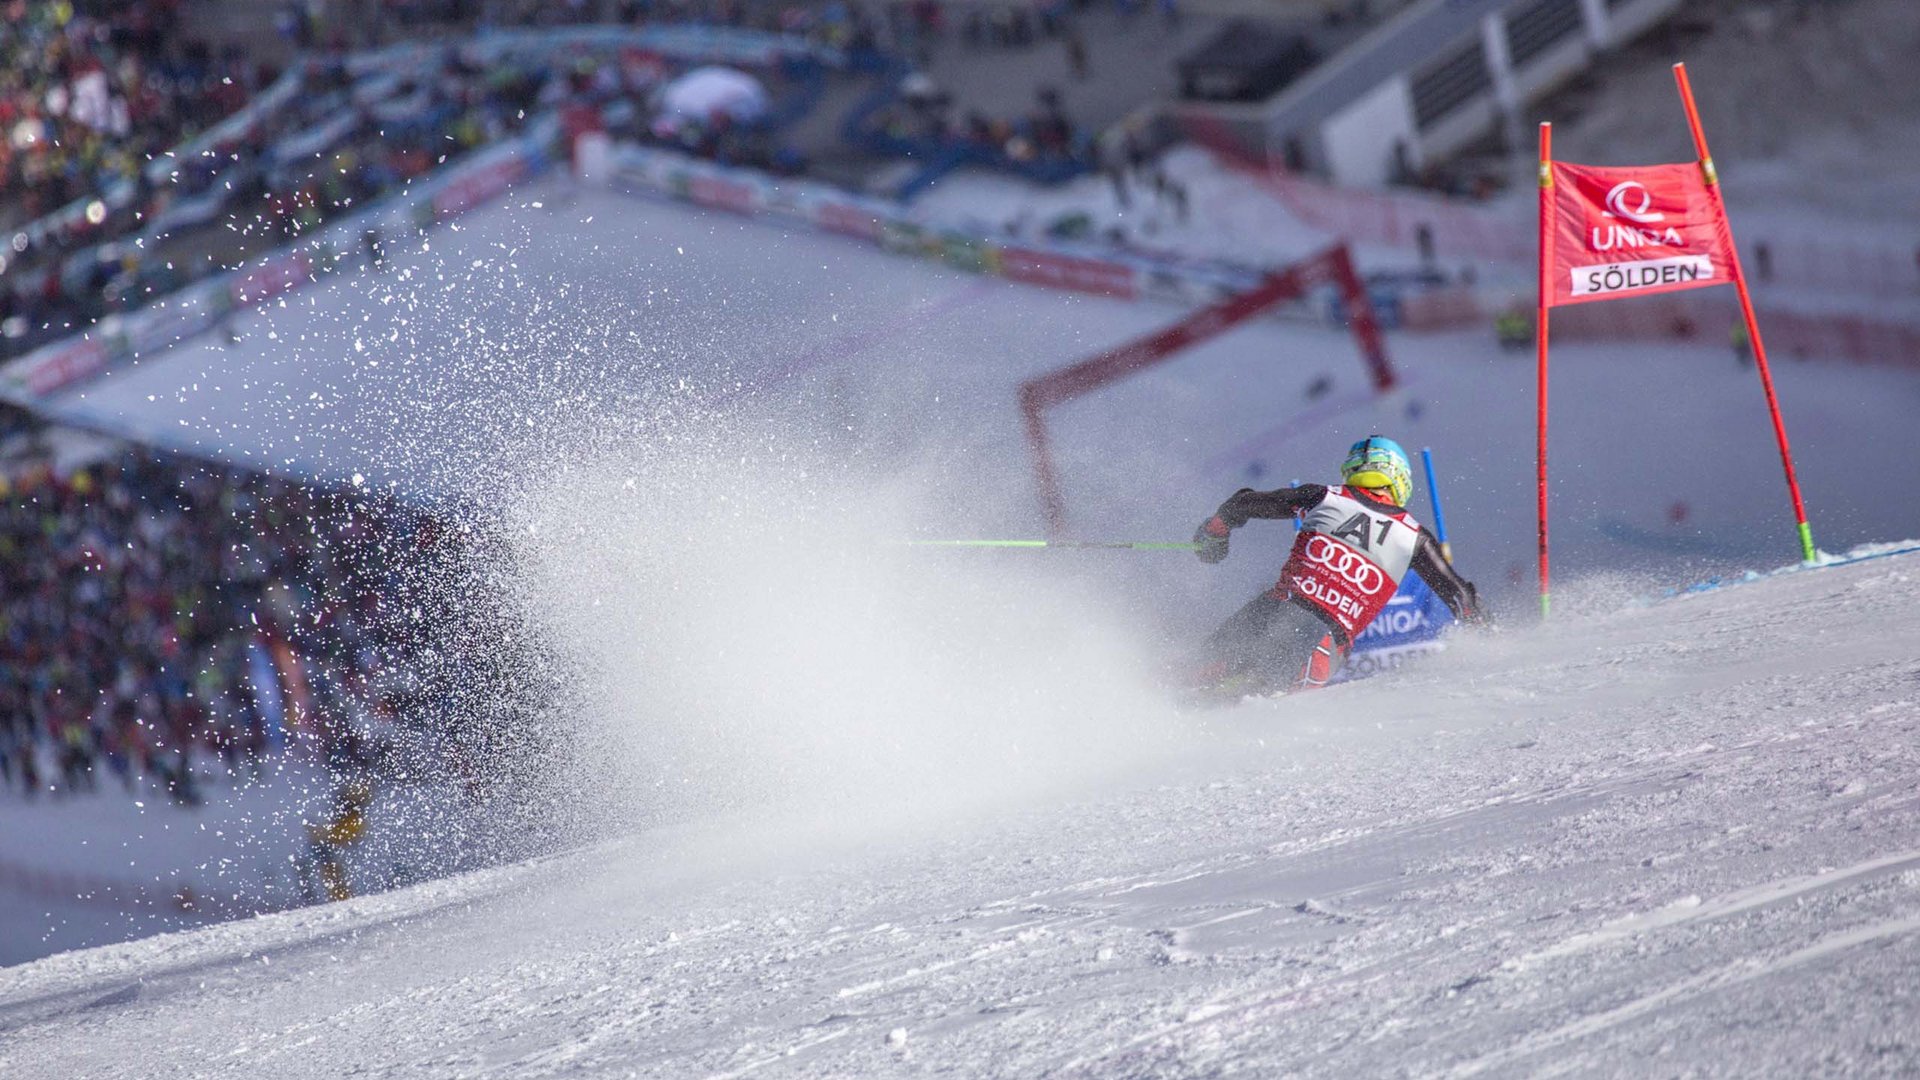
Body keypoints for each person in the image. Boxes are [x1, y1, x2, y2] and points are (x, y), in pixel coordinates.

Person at [1190, 435, 1483, 697]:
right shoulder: (1414, 538)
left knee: (1188, 680)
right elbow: (1462, 598)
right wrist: (1489, 639)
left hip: (1274, 613)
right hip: (1323, 646)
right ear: (1399, 479)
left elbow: (1243, 503)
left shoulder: (1324, 496)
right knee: (1259, 713)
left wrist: (1215, 532)